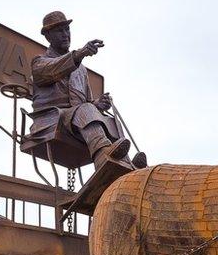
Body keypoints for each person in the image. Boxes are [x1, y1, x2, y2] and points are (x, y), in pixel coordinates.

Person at [29, 11, 144, 180]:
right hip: (51, 119)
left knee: (111, 120)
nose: (65, 34)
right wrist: (79, 54)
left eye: (67, 30)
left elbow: (86, 102)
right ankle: (103, 159)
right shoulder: (39, 62)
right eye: (59, 31)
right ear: (47, 36)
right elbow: (53, 69)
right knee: (85, 110)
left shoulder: (80, 71)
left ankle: (127, 164)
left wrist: (98, 104)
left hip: (74, 120)